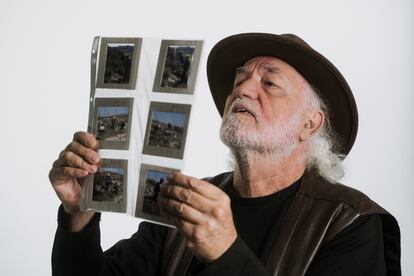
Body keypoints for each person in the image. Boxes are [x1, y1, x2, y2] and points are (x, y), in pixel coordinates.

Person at [49, 33, 401, 276]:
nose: (242, 89)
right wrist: (77, 212)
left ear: (310, 124)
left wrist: (226, 252)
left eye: (270, 83)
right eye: (240, 80)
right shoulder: (183, 204)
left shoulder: (353, 223)